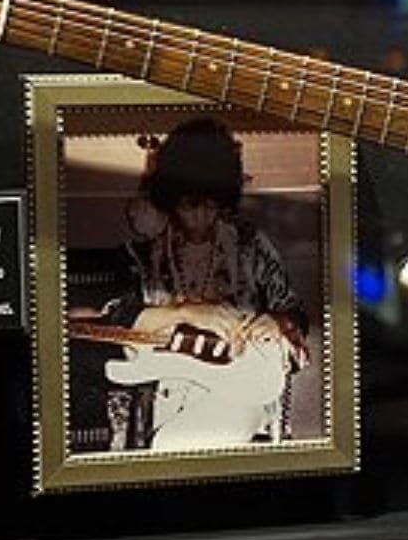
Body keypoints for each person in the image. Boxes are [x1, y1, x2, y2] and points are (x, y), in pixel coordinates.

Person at [99, 117, 309, 452]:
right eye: (188, 206)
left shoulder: (250, 243)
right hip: (167, 391)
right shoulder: (144, 254)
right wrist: (185, 311)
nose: (200, 219)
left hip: (243, 389)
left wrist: (278, 321)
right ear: (170, 200)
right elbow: (117, 319)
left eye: (211, 205)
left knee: (179, 443)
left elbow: (294, 312)